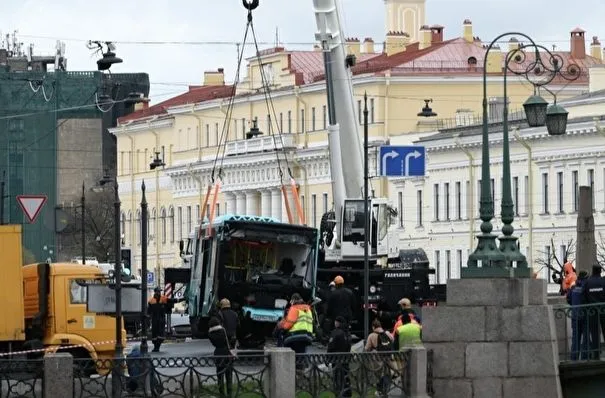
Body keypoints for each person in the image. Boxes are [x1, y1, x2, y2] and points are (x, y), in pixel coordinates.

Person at [365, 318, 394, 396]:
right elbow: (392, 339)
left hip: (377, 358)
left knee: (378, 374)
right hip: (388, 357)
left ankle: (380, 390)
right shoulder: (387, 333)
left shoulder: (371, 335)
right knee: (387, 373)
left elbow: (367, 348)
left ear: (373, 327)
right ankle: (386, 390)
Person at [582, 264, 605, 360]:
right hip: (603, 310)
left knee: (595, 333)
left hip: (592, 311)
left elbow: (583, 296)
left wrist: (587, 308)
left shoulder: (588, 282)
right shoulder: (603, 281)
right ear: (600, 271)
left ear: (592, 270)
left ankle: (596, 355)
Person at [208, 316, 234, 397]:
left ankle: (221, 393)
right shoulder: (223, 330)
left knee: (219, 374)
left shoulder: (210, 333)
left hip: (217, 352)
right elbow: (226, 341)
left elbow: (213, 343)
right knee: (228, 374)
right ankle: (229, 393)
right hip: (225, 351)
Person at [327, 316, 352, 397]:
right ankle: (347, 393)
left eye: (336, 322)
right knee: (345, 376)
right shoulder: (347, 333)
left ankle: (339, 393)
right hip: (345, 359)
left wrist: (328, 359)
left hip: (336, 358)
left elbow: (331, 346)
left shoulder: (335, 332)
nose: (335, 323)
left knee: (337, 378)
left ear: (338, 323)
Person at [567, 271, 588, 360]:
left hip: (575, 316)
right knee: (586, 337)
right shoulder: (586, 287)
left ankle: (574, 358)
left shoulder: (573, 287)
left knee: (575, 338)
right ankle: (584, 357)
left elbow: (568, 299)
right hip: (585, 315)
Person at [148, 286, 170, 352]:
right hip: (155, 319)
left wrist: (180, 299)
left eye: (160, 291)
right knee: (155, 333)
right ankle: (156, 347)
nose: (159, 293)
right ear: (155, 292)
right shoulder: (151, 301)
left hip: (161, 319)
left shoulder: (163, 298)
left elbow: (170, 301)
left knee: (160, 334)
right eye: (158, 291)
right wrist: (148, 318)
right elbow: (149, 311)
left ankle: (157, 347)